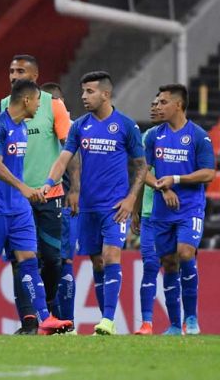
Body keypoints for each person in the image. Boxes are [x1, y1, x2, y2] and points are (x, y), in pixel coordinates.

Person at [42, 71, 147, 335]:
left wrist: (131, 199)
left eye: (89, 91)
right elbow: (64, 158)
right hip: (87, 208)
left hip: (115, 207)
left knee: (111, 256)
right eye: (82, 91)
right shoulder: (79, 126)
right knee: (97, 262)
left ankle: (109, 320)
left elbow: (141, 166)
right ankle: (104, 319)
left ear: (106, 94)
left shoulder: (126, 125)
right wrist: (49, 182)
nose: (83, 97)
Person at [0, 80, 72, 336]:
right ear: (26, 100)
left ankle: (44, 318)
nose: (39, 106)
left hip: (19, 209)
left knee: (29, 261)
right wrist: (24, 188)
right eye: (37, 101)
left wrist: (26, 193)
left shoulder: (22, 127)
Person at [144, 84, 215, 335]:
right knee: (169, 263)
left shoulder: (198, 136)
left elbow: (209, 173)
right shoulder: (153, 135)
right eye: (158, 102)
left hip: (190, 209)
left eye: (163, 102)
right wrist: (163, 188)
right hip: (162, 211)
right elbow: (142, 171)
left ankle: (192, 319)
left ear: (178, 105)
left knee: (186, 253)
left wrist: (175, 179)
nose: (158, 106)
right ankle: (175, 324)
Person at [41, 82, 80, 330]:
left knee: (63, 260)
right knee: (35, 262)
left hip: (64, 203)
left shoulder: (72, 129)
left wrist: (75, 189)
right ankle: (46, 317)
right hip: (36, 203)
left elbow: (76, 161)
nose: (56, 107)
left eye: (59, 102)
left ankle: (67, 322)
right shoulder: (35, 126)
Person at [132, 97, 163, 335]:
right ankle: (147, 323)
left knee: (179, 264)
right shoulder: (147, 137)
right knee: (150, 265)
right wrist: (135, 209)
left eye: (160, 103)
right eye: (152, 104)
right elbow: (141, 175)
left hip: (179, 213)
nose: (153, 107)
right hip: (150, 213)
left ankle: (185, 321)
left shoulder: (193, 137)